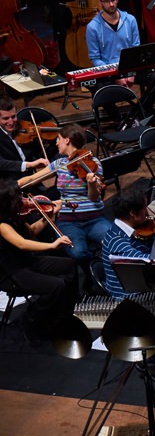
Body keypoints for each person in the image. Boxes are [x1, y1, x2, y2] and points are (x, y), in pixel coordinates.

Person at [17, 124, 112, 278]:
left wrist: (92, 184)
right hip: (69, 220)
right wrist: (11, 187)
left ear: (67, 140)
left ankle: (110, 275)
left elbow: (94, 197)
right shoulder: (59, 164)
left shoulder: (92, 163)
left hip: (94, 218)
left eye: (58, 139)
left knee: (115, 241)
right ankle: (91, 277)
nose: (56, 143)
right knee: (78, 252)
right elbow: (32, 179)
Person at [0, 178, 76, 346]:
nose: (24, 200)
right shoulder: (2, 225)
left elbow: (32, 232)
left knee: (69, 265)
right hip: (13, 272)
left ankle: (64, 313)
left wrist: (49, 216)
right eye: (18, 198)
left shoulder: (15, 217)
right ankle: (33, 317)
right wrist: (51, 244)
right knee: (56, 285)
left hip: (27, 262)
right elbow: (21, 243)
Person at [101, 184, 152, 300]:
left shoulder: (127, 228)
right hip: (130, 297)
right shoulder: (117, 241)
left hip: (140, 287)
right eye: (144, 207)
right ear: (132, 213)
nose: (147, 212)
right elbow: (147, 261)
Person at [85, 0, 140, 86]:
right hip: (107, 71)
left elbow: (136, 48)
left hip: (130, 67)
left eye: (113, 0)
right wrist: (115, 75)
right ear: (100, 3)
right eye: (106, 1)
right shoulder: (92, 27)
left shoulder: (130, 20)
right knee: (101, 92)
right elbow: (95, 58)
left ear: (117, 0)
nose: (111, 4)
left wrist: (132, 72)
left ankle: (143, 102)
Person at [0, 96, 50, 183]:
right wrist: (29, 165)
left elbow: (37, 153)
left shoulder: (24, 128)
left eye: (13, 117)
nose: (11, 122)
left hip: (32, 180)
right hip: (9, 185)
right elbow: (2, 163)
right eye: (6, 119)